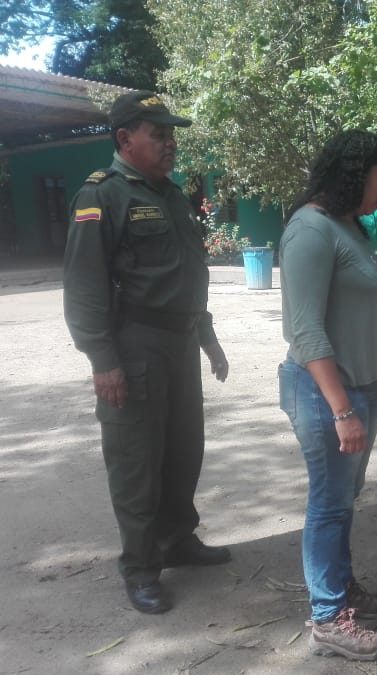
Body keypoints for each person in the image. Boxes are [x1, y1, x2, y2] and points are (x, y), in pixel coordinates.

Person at [63, 90, 232, 615]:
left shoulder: (172, 195)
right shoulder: (102, 196)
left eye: (171, 134)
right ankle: (140, 567)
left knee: (183, 448)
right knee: (136, 459)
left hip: (179, 340)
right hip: (135, 343)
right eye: (157, 134)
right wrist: (103, 360)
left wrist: (207, 337)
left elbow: (186, 275)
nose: (169, 143)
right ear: (124, 139)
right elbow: (85, 287)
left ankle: (178, 539)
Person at [278, 130, 377, 662]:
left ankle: (343, 589)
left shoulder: (351, 227)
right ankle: (328, 617)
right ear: (354, 174)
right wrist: (343, 409)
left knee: (343, 498)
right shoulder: (309, 230)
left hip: (362, 386)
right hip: (326, 392)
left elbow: (367, 312)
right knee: (329, 503)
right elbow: (306, 333)